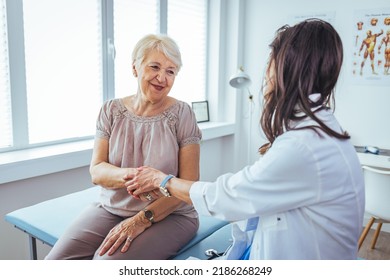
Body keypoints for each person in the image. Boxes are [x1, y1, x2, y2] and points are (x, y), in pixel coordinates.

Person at [127, 19, 365, 260]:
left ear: (286, 69)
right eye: (154, 67)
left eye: (270, 64)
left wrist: (162, 180)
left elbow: (225, 196)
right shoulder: (317, 132)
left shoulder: (303, 146)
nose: (266, 76)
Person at [45, 34, 202, 260]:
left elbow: (189, 187)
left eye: (171, 71)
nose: (162, 77)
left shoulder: (182, 114)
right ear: (135, 68)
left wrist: (140, 220)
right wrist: (134, 177)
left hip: (171, 213)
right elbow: (97, 170)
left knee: (105, 264)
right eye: (154, 67)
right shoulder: (111, 110)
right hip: (112, 208)